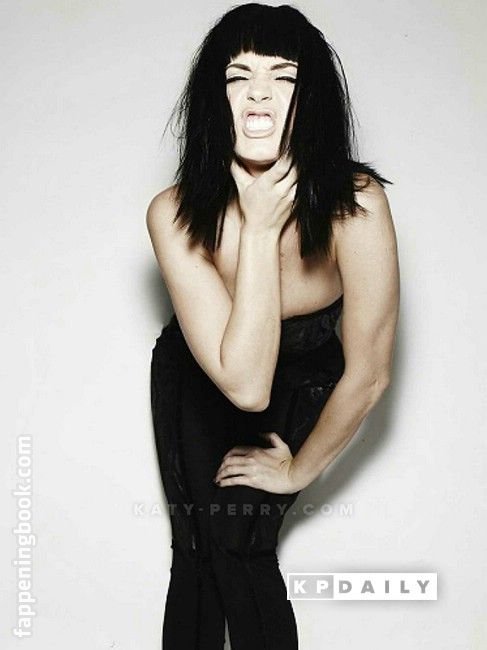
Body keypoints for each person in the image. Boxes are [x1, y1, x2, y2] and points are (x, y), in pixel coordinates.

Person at [147, 3, 399, 649]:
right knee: (199, 549)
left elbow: (369, 373)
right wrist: (259, 229)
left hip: (307, 381)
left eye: (282, 76)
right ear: (215, 99)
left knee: (240, 545)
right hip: (204, 375)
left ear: (309, 99)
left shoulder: (356, 203)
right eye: (238, 76)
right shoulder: (173, 212)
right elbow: (243, 384)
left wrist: (297, 472)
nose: (258, 93)